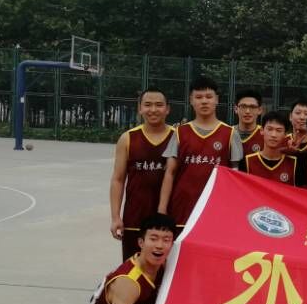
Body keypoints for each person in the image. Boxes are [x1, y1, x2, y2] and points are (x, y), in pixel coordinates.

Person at [158, 77, 243, 229]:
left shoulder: (230, 133)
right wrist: (162, 210)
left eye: (209, 97)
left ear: (217, 100)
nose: (204, 101)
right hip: (182, 208)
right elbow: (170, 173)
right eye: (198, 97)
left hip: (215, 208)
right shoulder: (180, 132)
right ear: (191, 100)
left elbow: (236, 177)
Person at [109, 88, 175, 261]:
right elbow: (118, 179)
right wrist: (115, 217)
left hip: (168, 218)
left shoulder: (178, 137)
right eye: (148, 105)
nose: (153, 110)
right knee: (133, 267)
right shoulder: (128, 138)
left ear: (168, 109)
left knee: (166, 269)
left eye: (159, 105)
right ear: (140, 108)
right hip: (134, 217)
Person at [243, 110, 302, 186]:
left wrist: (295, 152)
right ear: (261, 131)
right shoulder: (247, 161)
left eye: (279, 130)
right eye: (269, 129)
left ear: (285, 134)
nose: (273, 135)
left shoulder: (295, 163)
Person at [233, 88, 265, 156]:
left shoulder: (265, 135)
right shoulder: (227, 133)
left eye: (252, 107)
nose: (247, 111)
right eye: (243, 106)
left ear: (260, 110)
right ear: (236, 109)